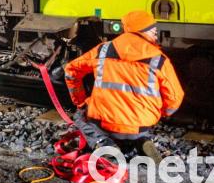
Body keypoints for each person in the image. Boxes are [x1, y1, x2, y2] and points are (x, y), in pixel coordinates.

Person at [64, 10, 184, 162]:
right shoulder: (159, 59)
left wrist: (80, 100)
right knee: (139, 117)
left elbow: (71, 70)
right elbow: (175, 98)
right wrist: (161, 113)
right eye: (153, 30)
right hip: (140, 126)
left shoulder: (103, 50)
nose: (155, 34)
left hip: (104, 124)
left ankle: (104, 144)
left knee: (80, 115)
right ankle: (142, 141)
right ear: (143, 31)